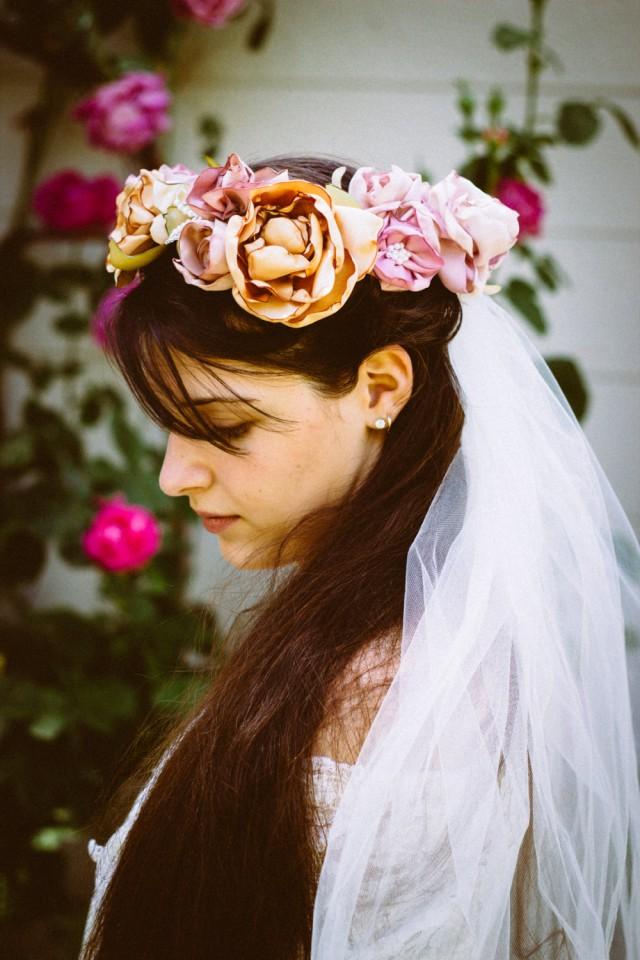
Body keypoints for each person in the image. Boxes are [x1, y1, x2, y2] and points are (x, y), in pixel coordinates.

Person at [79, 153, 640, 959]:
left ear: (380, 389)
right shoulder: (355, 639)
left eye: (223, 427)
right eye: (167, 426)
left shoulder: (382, 698)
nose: (174, 475)